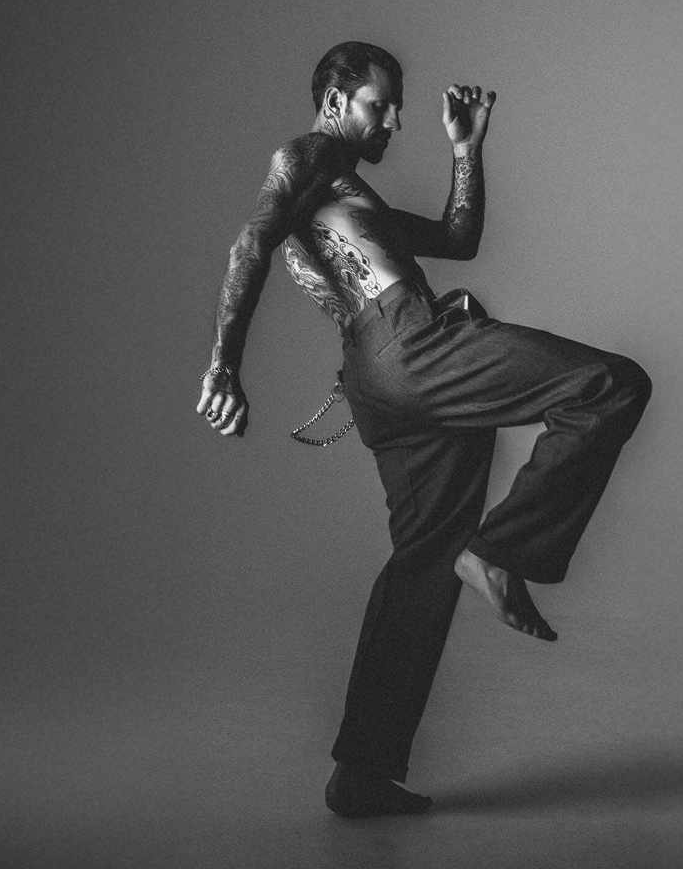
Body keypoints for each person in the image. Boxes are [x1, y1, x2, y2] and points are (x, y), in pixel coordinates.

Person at [197, 41, 652, 818]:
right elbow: (252, 240)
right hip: (409, 346)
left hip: (378, 379)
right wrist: (223, 364)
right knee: (611, 385)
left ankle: (362, 775)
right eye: (381, 106)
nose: (395, 122)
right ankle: (502, 552)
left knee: (426, 559)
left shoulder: (348, 192)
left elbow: (458, 237)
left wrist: (466, 151)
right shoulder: (308, 155)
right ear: (335, 101)